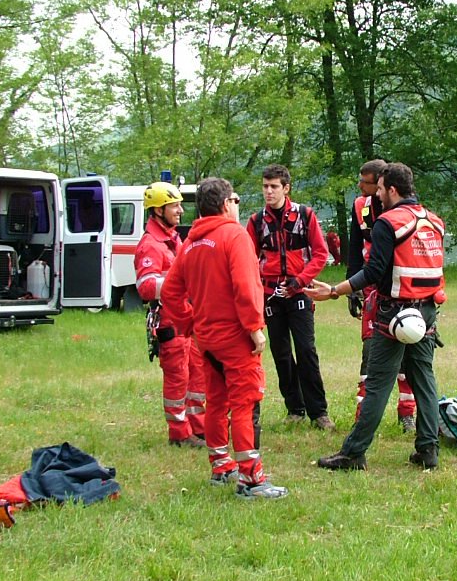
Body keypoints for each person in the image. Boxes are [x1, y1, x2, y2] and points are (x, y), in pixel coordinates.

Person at [309, 163, 445, 471]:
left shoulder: (388, 222)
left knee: (378, 383)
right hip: (426, 312)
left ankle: (354, 452)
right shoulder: (434, 221)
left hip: (394, 314)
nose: (377, 195)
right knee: (424, 380)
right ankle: (428, 449)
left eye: (381, 189)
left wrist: (334, 290)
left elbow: (373, 271)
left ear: (393, 190)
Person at [161, 178, 287, 499]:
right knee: (245, 403)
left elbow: (171, 291)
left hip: (207, 339)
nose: (237, 205)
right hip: (235, 338)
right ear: (224, 204)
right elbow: (245, 286)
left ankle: (221, 465)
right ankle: (251, 479)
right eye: (235, 199)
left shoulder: (190, 243)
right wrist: (255, 327)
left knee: (217, 402)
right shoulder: (235, 236)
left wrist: (189, 324)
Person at [245, 165, 335, 431]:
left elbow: (320, 253)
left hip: (298, 292)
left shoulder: (305, 215)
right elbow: (248, 258)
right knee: (281, 353)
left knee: (306, 351)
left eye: (274, 186)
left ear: (286, 188)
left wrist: (301, 280)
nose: (268, 191)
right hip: (271, 295)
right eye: (265, 186)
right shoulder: (256, 221)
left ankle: (319, 412)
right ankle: (294, 408)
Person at [346, 159, 417, 433]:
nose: (360, 186)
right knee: (370, 350)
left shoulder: (407, 208)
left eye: (364, 182)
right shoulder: (360, 207)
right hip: (371, 287)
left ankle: (407, 413)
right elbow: (354, 248)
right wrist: (352, 289)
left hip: (403, 290)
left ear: (381, 184)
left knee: (408, 351)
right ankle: (362, 418)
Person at [133, 182, 206, 448]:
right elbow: (145, 287)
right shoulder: (150, 244)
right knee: (178, 377)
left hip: (186, 317)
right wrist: (178, 282)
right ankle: (179, 432)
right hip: (169, 319)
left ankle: (199, 426)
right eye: (174, 206)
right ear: (158, 210)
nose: (180, 211)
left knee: (197, 373)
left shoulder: (173, 238)